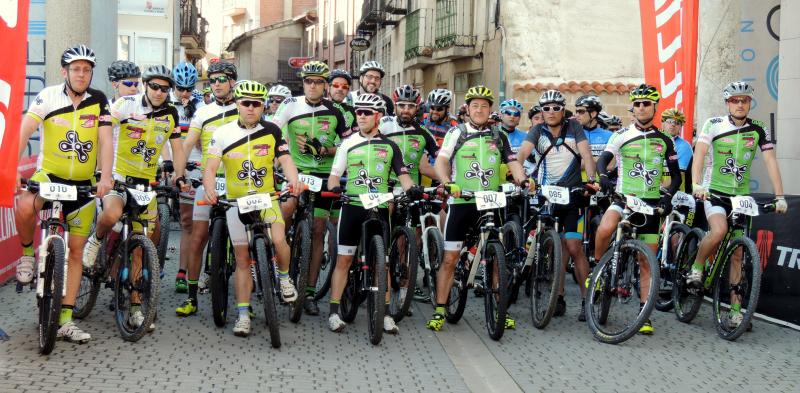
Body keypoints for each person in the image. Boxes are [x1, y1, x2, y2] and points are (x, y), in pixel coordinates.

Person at [15, 45, 114, 343]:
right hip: (50, 175)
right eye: (76, 69)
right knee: (24, 206)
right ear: (65, 72)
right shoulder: (48, 96)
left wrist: (105, 177)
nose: (81, 74)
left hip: (83, 183)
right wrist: (8, 168)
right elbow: (25, 129)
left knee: (75, 251)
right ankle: (28, 255)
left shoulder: (98, 100)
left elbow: (106, 141)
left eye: (86, 69)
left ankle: (66, 320)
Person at [82, 65, 188, 331]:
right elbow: (102, 133)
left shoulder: (171, 113)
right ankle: (95, 240)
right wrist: (99, 171)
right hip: (118, 177)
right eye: (154, 86)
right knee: (112, 214)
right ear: (145, 84)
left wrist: (179, 174)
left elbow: (177, 148)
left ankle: (137, 309)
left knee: (140, 248)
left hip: (145, 184)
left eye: (165, 88)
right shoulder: (125, 104)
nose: (159, 92)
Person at [203, 80, 302, 336]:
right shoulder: (222, 133)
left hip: (266, 197)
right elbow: (211, 166)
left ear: (263, 107)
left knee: (280, 240)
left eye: (256, 104)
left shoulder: (271, 130)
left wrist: (294, 180)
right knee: (242, 260)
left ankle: (283, 278)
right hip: (235, 201)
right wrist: (210, 188)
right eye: (246, 103)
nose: (251, 108)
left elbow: (285, 159)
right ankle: (244, 314)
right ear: (237, 104)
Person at [426, 86, 527, 332]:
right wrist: (448, 183)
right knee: (450, 258)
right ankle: (440, 308)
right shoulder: (457, 133)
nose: (479, 110)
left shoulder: (498, 135)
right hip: (463, 201)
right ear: (468, 109)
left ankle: (499, 309)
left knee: (496, 258)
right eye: (475, 106)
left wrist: (523, 180)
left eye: (484, 106)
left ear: (490, 109)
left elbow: (512, 162)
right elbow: (441, 160)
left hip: (491, 201)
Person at [689, 81, 787, 328]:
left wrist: (780, 196)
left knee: (738, 255)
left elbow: (771, 161)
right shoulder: (714, 124)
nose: (740, 104)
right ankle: (697, 267)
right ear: (727, 103)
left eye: (744, 100)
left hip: (741, 196)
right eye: (734, 100)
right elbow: (699, 155)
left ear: (750, 103)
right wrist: (696, 184)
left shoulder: (759, 129)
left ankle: (735, 310)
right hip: (714, 191)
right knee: (719, 231)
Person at [326, 93, 423, 333]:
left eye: (366, 112)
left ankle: (387, 313)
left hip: (379, 208)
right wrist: (335, 188)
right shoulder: (347, 143)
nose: (361, 116)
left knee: (385, 262)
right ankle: (334, 312)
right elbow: (334, 176)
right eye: (358, 111)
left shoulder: (390, 146)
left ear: (378, 116)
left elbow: (403, 175)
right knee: (344, 260)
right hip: (352, 206)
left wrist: (412, 189)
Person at [594, 84, 682, 335]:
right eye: (638, 104)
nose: (642, 107)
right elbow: (604, 159)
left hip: (651, 203)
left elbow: (675, 177)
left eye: (647, 103)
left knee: (647, 260)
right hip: (624, 197)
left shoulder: (665, 140)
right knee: (606, 227)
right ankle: (598, 269)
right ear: (633, 107)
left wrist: (667, 196)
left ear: (654, 107)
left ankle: (644, 312)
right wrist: (603, 176)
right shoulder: (621, 134)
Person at [270, 61, 349, 316]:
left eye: (318, 82)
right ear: (302, 83)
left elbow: (350, 146)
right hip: (297, 172)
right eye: (308, 81)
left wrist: (327, 150)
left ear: (325, 85)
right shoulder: (290, 105)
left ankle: (310, 292)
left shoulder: (336, 111)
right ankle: (278, 251)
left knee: (317, 232)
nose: (313, 86)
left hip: (325, 176)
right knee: (287, 207)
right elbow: (272, 132)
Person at [517, 90, 599, 321]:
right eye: (546, 108)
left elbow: (586, 154)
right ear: (541, 111)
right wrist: (519, 175)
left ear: (563, 110)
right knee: (552, 247)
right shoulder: (537, 130)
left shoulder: (574, 128)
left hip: (571, 195)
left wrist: (592, 180)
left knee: (573, 246)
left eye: (556, 108)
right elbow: (522, 153)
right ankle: (558, 296)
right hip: (546, 195)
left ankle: (587, 299)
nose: (551, 112)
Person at [176, 60, 240, 316]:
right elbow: (187, 144)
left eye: (221, 79)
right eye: (211, 80)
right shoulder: (203, 111)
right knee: (197, 238)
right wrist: (179, 174)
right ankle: (191, 297)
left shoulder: (246, 107)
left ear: (232, 81)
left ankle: (249, 293)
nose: (216, 85)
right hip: (209, 182)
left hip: (239, 185)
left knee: (244, 241)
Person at [169, 61, 204, 293]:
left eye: (188, 88)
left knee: (189, 222)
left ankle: (184, 272)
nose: (184, 93)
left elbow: (203, 142)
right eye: (180, 88)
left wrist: (193, 119)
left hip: (193, 166)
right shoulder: (164, 100)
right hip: (167, 162)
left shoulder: (201, 105)